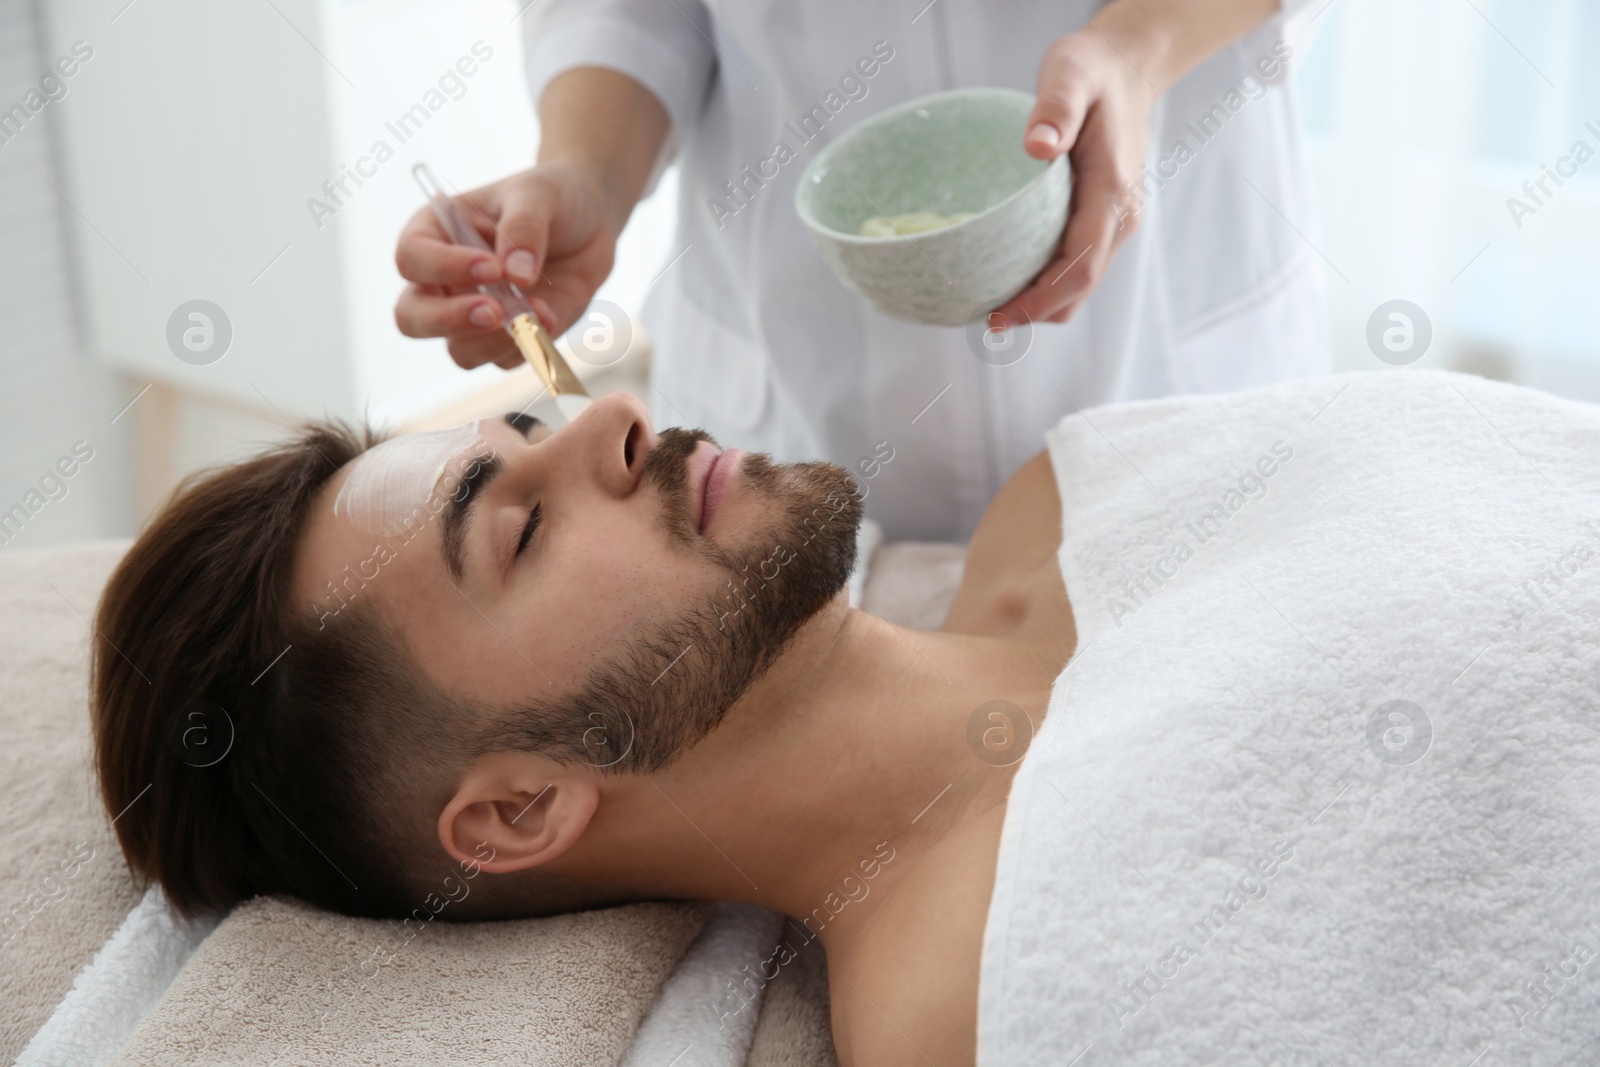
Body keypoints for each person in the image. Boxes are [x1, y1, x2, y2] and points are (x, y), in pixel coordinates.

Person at [91, 376, 1600, 1065]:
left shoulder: (1069, 495)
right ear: (517, 806)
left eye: (534, 428)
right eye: (519, 529)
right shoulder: (994, 1006)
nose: (617, 419)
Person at [393, 0, 1329, 542]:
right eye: (516, 537)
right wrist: (587, 171)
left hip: (1174, 335)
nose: (612, 433)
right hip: (790, 400)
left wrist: (1138, 48)